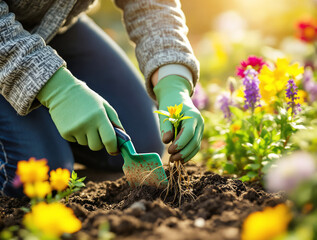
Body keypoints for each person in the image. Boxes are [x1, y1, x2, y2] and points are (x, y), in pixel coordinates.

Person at [0, 0, 204, 197]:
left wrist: (173, 83)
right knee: (39, 174)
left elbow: (152, 4)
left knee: (139, 139)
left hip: (53, 26)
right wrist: (57, 90)